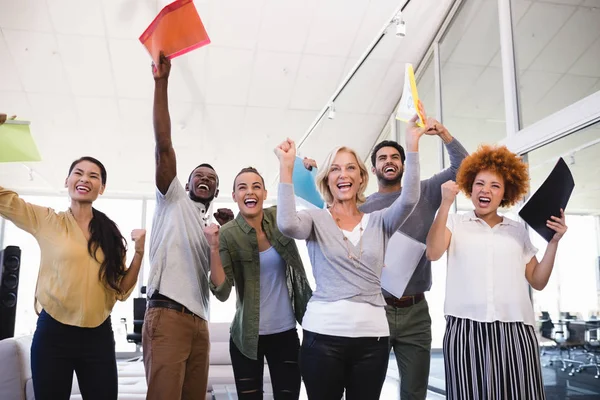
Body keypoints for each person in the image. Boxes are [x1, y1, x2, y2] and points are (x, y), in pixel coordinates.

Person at [274, 114, 428, 400]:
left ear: (360, 177)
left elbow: (409, 198)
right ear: (327, 179)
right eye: (335, 169)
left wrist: (413, 145)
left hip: (373, 340)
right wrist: (286, 168)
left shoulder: (380, 220)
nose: (343, 174)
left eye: (349, 168)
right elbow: (286, 224)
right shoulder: (315, 219)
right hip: (322, 336)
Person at [426, 145, 568, 400]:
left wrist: (553, 243)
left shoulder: (517, 230)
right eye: (480, 183)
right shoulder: (455, 222)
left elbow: (537, 280)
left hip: (516, 329)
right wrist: (445, 204)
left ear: (505, 193)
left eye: (495, 186)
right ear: (470, 186)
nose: (486, 190)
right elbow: (433, 252)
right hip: (465, 328)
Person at [0, 156, 145, 400]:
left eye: (93, 176)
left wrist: (139, 252)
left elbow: (120, 289)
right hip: (53, 335)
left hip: (98, 336)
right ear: (67, 180)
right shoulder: (46, 220)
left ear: (102, 188)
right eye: (79, 173)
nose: (85, 179)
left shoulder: (110, 235)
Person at [359, 110, 468, 399]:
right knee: (366, 389)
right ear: (373, 170)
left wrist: (443, 133)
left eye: (395, 157)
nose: (389, 162)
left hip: (415, 312)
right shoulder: (363, 208)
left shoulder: (427, 191)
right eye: (382, 158)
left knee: (414, 391)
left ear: (406, 165)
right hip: (374, 308)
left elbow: (465, 167)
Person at [143, 52, 233, 400]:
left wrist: (225, 234)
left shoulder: (211, 226)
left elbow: (220, 285)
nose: (204, 180)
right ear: (187, 181)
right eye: (199, 175)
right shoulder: (173, 199)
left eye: (211, 178)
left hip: (201, 322)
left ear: (216, 190)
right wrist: (161, 82)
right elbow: (163, 146)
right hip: (167, 315)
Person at [209, 166, 313, 399]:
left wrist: (309, 172)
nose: (250, 192)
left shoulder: (280, 217)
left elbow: (316, 207)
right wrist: (214, 248)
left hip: (286, 334)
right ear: (234, 195)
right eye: (242, 187)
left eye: (256, 186)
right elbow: (222, 291)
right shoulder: (227, 234)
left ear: (265, 193)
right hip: (246, 338)